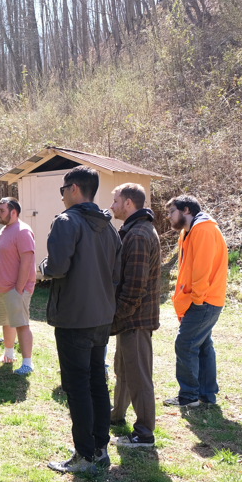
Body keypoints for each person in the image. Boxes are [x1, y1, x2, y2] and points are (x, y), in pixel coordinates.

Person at [39, 166, 121, 474]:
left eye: (62, 190)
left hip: (74, 317)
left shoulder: (67, 222)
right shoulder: (109, 227)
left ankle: (85, 455)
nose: (61, 197)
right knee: (97, 382)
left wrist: (44, 267)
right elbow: (115, 275)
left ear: (73, 189)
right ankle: (99, 448)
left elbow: (58, 266)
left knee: (78, 387)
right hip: (101, 317)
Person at [108, 183, 161, 447]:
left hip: (135, 319)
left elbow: (134, 287)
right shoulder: (134, 230)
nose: (112, 206)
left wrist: (115, 317)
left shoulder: (139, 235)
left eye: (115, 200)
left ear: (128, 203)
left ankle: (144, 435)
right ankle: (116, 415)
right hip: (129, 319)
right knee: (124, 369)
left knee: (139, 376)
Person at [164, 195, 228, 407]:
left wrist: (198, 301)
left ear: (186, 210)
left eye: (171, 211)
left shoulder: (202, 230)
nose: (168, 217)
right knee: (203, 346)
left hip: (204, 301)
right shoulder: (189, 231)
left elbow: (202, 270)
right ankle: (206, 396)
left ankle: (189, 396)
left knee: (185, 344)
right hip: (204, 300)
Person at [0, 197, 36, 375]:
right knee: (7, 322)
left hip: (15, 289)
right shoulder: (5, 229)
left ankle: (27, 363)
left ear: (13, 212)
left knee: (21, 324)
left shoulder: (23, 231)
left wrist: (19, 289)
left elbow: (27, 260)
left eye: (2, 211)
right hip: (2, 289)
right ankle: (8, 355)